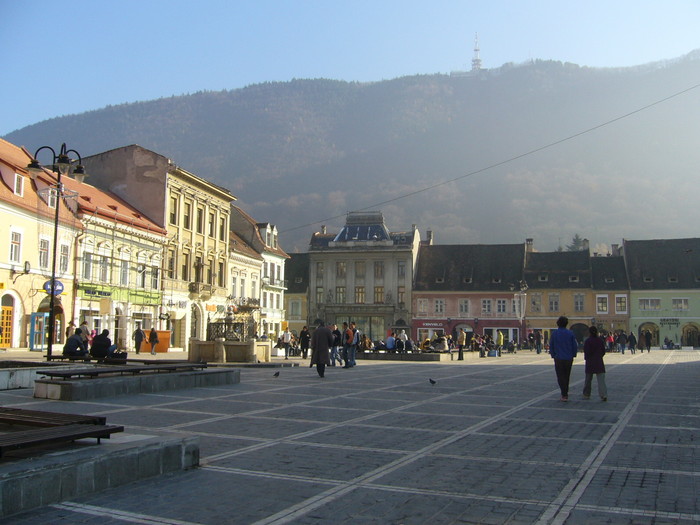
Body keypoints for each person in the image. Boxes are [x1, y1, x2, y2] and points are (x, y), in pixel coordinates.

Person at [549, 316, 578, 402]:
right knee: (567, 375)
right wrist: (573, 354)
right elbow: (574, 345)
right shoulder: (570, 333)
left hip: (558, 358)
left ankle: (564, 394)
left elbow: (552, 345)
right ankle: (565, 392)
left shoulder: (555, 333)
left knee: (560, 376)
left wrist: (553, 355)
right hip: (568, 358)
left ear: (558, 323)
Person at [582, 325, 607, 401]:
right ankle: (603, 395)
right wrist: (599, 356)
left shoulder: (588, 341)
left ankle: (586, 394)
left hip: (590, 362)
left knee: (588, 379)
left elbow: (586, 352)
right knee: (601, 380)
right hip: (599, 361)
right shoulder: (600, 340)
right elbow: (603, 351)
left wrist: (587, 358)